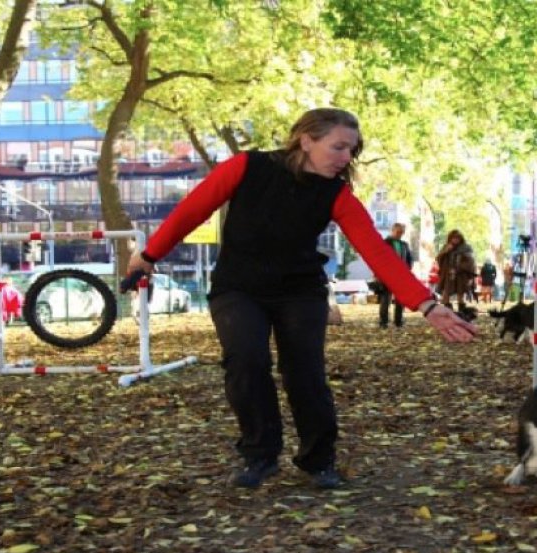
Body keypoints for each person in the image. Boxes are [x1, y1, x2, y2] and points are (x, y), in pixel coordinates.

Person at [125, 108, 478, 490]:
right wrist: (148, 256)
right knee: (246, 361)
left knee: (305, 373)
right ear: (306, 140)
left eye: (351, 150)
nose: (346, 157)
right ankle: (260, 455)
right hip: (239, 288)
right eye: (339, 146)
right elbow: (193, 209)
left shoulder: (335, 193)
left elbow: (377, 252)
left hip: (300, 292)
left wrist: (426, 304)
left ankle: (318, 460)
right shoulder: (247, 167)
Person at [377, 223, 413, 328]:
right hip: (388, 275)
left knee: (400, 300)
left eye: (402, 232)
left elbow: (409, 259)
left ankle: (398, 321)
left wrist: (408, 269)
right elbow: (380, 259)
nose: (400, 234)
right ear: (392, 230)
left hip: (401, 276)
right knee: (385, 299)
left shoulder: (404, 245)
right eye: (398, 232)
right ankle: (383, 322)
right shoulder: (385, 242)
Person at [435, 229, 476, 313]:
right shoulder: (446, 247)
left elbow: (470, 262)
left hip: (461, 275)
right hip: (448, 274)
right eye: (453, 238)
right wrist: (445, 252)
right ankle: (448, 311)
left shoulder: (466, 248)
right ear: (450, 238)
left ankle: (462, 312)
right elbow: (439, 259)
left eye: (457, 238)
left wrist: (458, 269)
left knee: (460, 293)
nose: (455, 239)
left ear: (461, 238)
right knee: (446, 292)